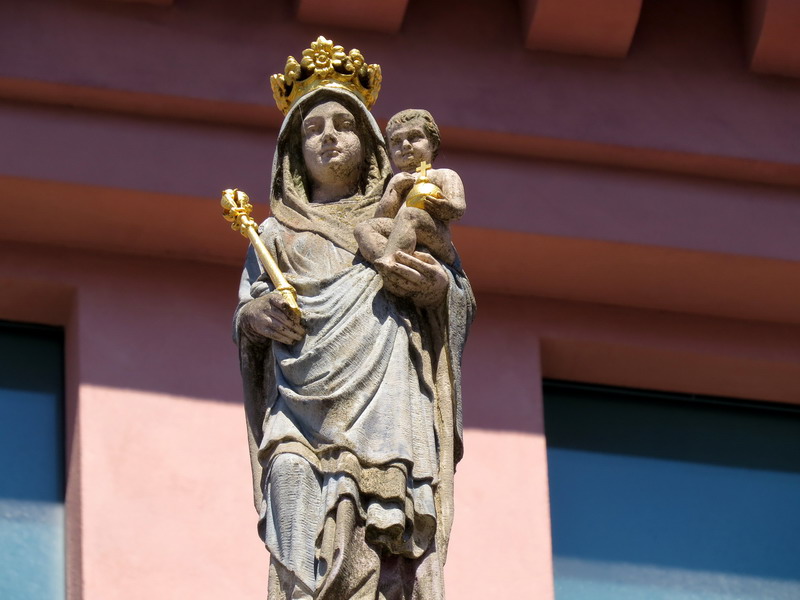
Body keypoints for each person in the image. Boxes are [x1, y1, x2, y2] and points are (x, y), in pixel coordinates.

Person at [234, 86, 475, 600]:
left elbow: (453, 291)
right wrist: (257, 316)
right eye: (312, 129)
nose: (328, 137)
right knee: (289, 476)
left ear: (368, 142)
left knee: (382, 526)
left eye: (343, 126)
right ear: (293, 152)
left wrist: (434, 287)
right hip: (298, 399)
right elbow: (248, 308)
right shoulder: (274, 232)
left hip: (385, 397)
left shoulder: (396, 215)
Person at [354, 109, 466, 275]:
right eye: (396, 141)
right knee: (363, 228)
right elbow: (382, 217)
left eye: (414, 137)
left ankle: (394, 260)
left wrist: (444, 206)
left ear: (432, 143)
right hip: (399, 228)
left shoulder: (444, 174)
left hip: (434, 234)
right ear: (389, 153)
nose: (405, 145)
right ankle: (387, 261)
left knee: (410, 214)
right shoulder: (395, 181)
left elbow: (458, 208)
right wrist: (395, 190)